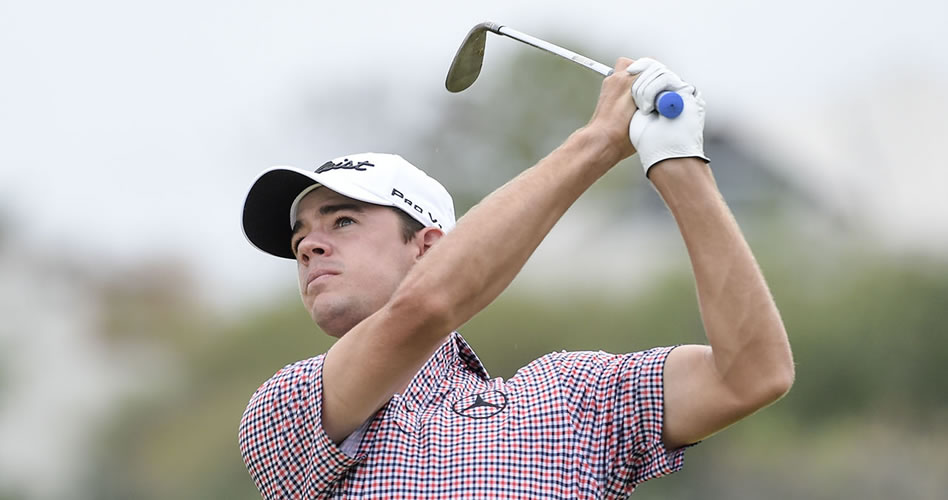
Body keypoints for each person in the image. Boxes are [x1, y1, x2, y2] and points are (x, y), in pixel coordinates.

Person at [238, 57, 794, 499]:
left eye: (343, 220)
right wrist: (599, 141)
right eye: (299, 239)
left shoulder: (574, 399)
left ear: (427, 247)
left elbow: (752, 373)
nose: (308, 245)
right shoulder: (285, 405)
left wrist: (676, 162)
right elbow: (424, 310)